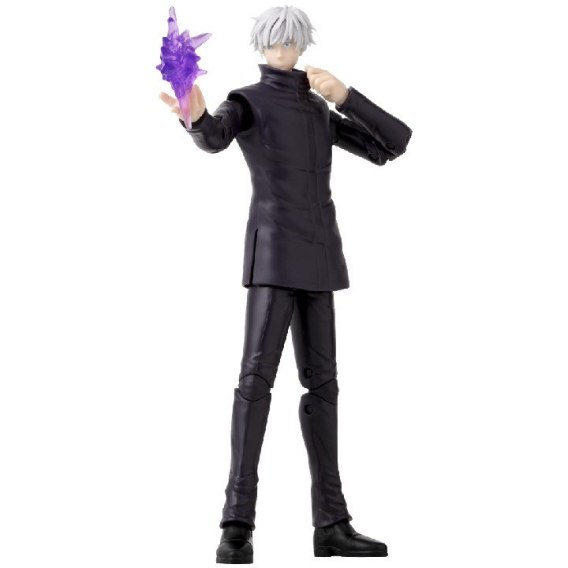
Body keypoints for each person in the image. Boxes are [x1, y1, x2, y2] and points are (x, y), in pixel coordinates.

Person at [160, 5, 412, 563]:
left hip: (320, 257)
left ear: (301, 45)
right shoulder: (248, 100)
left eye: (290, 41)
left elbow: (393, 144)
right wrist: (194, 115)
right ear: (261, 45)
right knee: (255, 384)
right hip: (274, 256)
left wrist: (346, 96)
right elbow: (214, 136)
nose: (281, 49)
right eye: (273, 41)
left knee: (324, 389)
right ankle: (236, 524)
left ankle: (332, 524)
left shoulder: (318, 107)